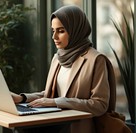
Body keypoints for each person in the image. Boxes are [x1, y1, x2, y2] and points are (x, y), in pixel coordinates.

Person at [11, 5, 116, 133]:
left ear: (76, 30)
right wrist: (22, 98)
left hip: (77, 128)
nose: (54, 37)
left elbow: (100, 105)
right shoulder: (58, 58)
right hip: (53, 123)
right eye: (53, 30)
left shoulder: (96, 59)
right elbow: (49, 94)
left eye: (61, 31)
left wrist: (56, 102)